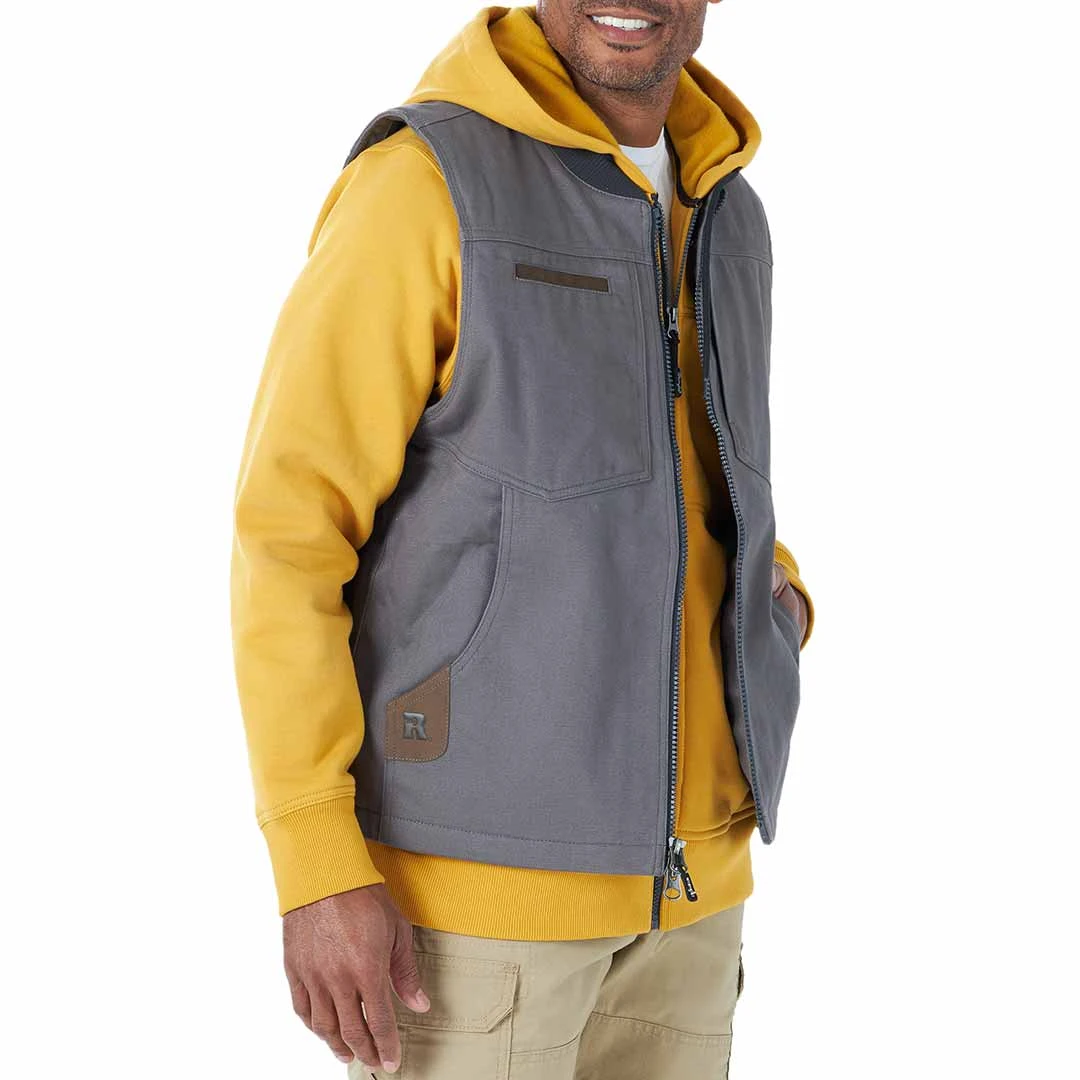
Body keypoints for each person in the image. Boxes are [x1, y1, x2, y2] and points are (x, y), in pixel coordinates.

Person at [230, 3, 814, 1076]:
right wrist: (315, 858)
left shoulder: (728, 209)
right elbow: (291, 530)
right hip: (467, 910)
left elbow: (705, 480)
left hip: (693, 901)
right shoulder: (423, 185)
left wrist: (775, 596)